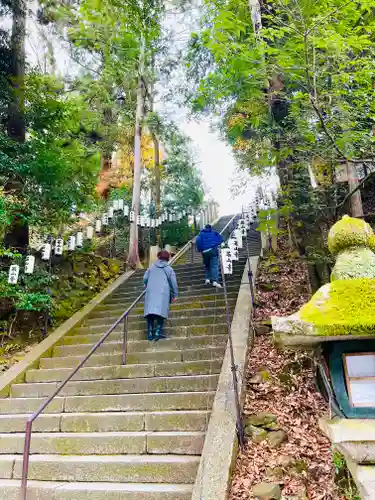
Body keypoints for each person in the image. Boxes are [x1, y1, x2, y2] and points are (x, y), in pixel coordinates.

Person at [144, 250, 178, 341]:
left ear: (158, 257)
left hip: (151, 291)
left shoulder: (151, 267)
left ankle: (150, 334)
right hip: (163, 292)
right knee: (161, 312)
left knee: (150, 312)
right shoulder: (169, 269)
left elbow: (145, 278)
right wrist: (175, 294)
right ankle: (158, 333)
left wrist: (146, 284)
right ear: (167, 258)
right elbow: (173, 283)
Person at [195, 224, 224, 288]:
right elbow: (221, 239)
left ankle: (207, 279)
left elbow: (198, 241)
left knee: (207, 265)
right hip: (213, 250)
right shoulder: (214, 233)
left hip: (204, 252)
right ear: (210, 228)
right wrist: (216, 243)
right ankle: (215, 281)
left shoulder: (200, 234)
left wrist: (200, 250)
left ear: (205, 228)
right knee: (214, 266)